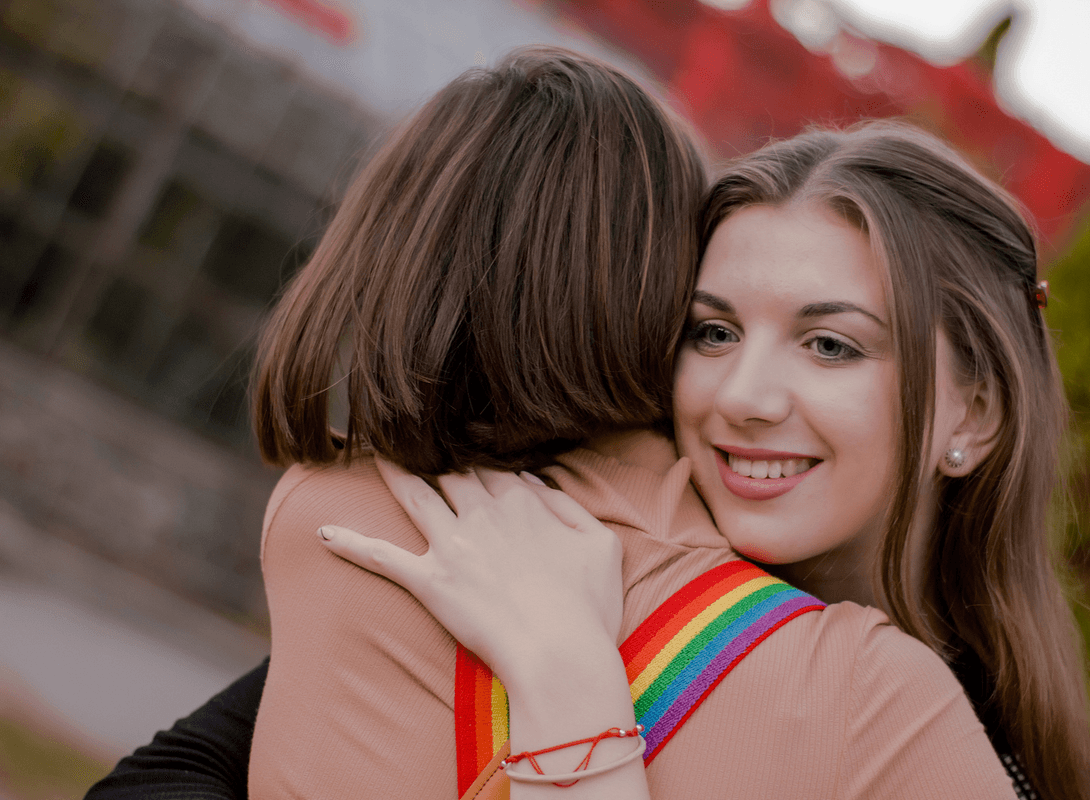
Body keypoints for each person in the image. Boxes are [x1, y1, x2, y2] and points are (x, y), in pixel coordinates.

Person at [89, 51, 1026, 800]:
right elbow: (164, 775)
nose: (746, 395)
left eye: (831, 345)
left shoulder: (909, 713)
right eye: (712, 331)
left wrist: (573, 689)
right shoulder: (426, 548)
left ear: (976, 411)